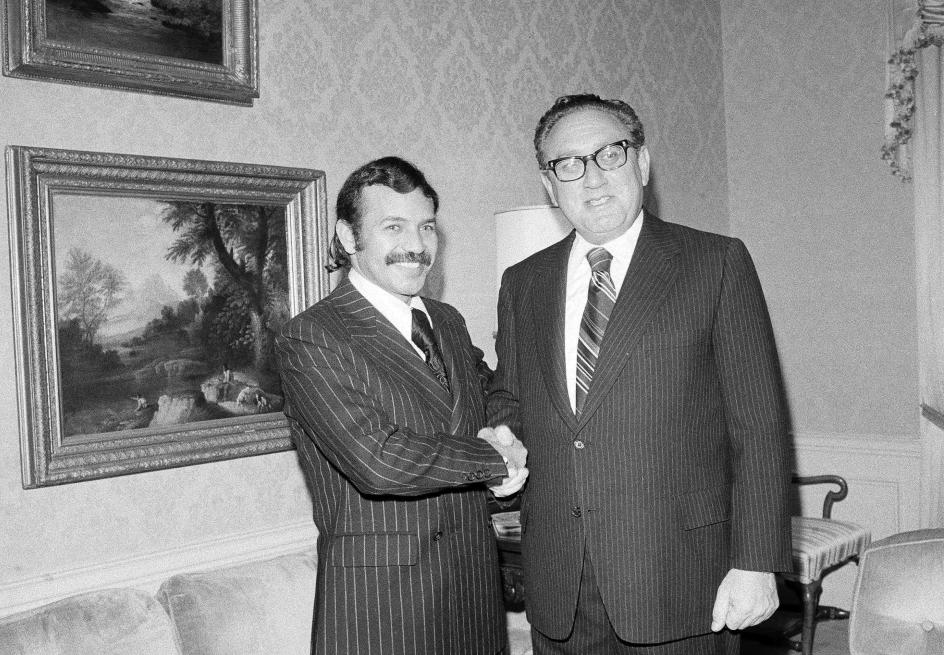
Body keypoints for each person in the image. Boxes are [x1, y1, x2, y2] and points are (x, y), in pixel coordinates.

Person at [486, 94, 792, 654]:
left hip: (681, 582)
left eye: (610, 154)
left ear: (643, 164)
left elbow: (760, 428)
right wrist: (501, 436)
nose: (592, 179)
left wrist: (757, 562)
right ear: (550, 186)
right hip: (561, 587)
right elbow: (511, 396)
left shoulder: (715, 263)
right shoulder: (523, 282)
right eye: (568, 164)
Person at [276, 156, 528, 655]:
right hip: (383, 611)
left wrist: (504, 435)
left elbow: (496, 393)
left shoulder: (447, 321)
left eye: (427, 227)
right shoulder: (312, 337)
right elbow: (379, 462)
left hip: (475, 598)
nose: (416, 246)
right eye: (394, 227)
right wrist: (494, 460)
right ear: (349, 239)